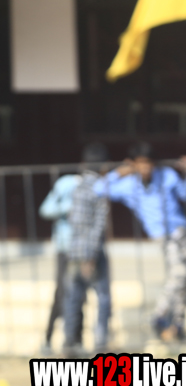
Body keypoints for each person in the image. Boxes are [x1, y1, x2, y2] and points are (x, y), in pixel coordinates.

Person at [98, 141, 186, 341]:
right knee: (180, 273)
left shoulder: (166, 175)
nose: (145, 168)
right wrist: (119, 172)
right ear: (133, 163)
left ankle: (178, 324)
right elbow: (98, 189)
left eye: (148, 163)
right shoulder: (128, 185)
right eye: (140, 163)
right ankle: (158, 315)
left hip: (180, 230)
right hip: (162, 235)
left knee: (183, 279)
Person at [62, 143, 114, 354]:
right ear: (104, 166)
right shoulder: (99, 188)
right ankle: (100, 342)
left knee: (73, 298)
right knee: (103, 296)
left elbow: (73, 220)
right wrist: (90, 255)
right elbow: (99, 225)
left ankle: (69, 342)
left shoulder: (77, 187)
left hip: (74, 250)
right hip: (92, 252)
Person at [38, 157, 88, 353]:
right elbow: (46, 209)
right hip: (65, 247)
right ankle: (48, 339)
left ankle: (77, 341)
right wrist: (68, 207)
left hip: (83, 249)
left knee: (80, 294)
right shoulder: (65, 184)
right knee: (61, 293)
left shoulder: (94, 187)